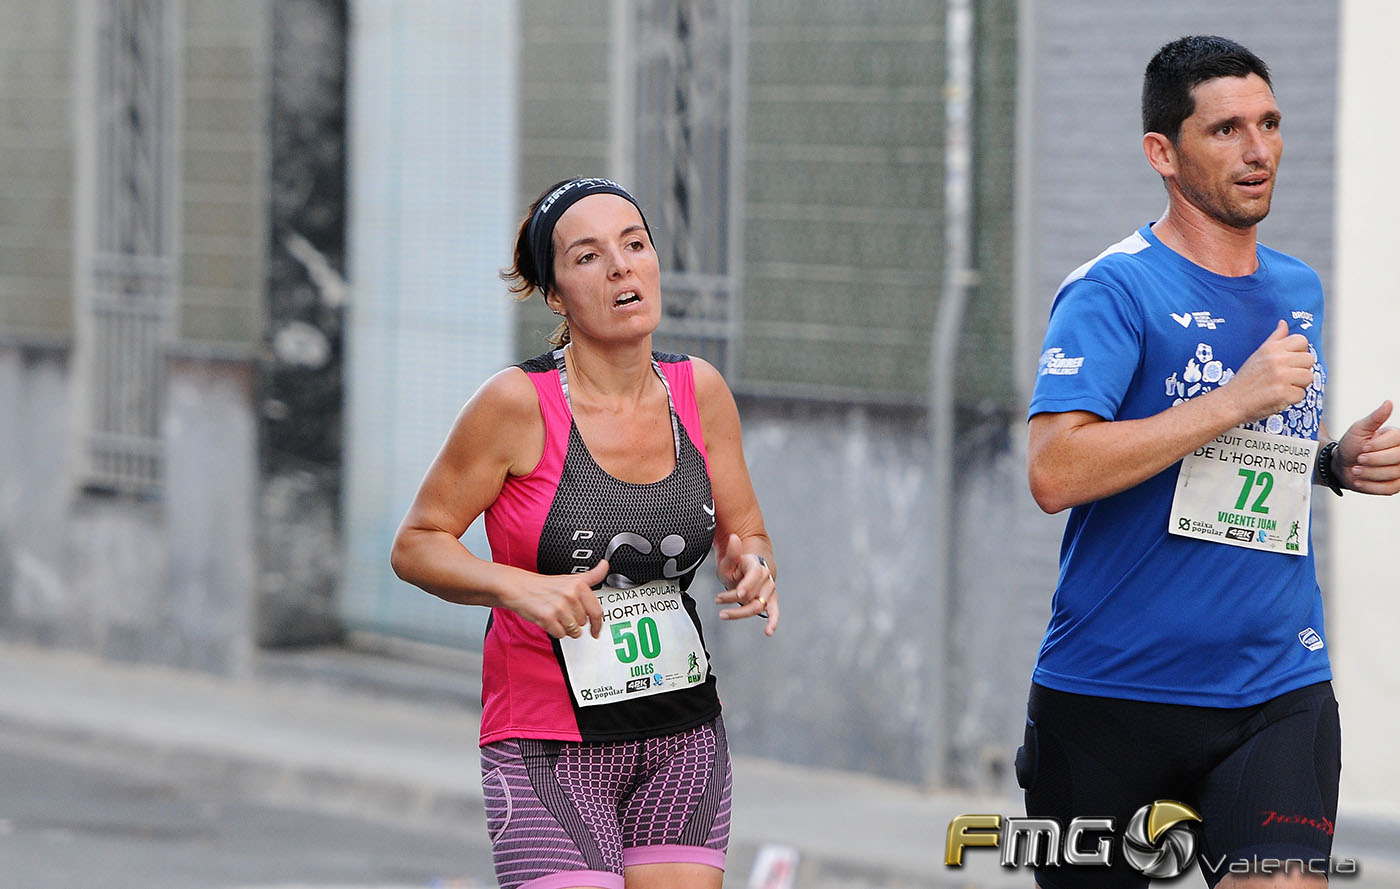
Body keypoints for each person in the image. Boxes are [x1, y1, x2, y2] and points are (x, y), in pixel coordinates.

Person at [1020, 36, 1400, 889]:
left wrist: (1332, 464)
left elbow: (1248, 457)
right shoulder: (1113, 291)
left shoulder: (1297, 286)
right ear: (1163, 151)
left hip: (1276, 683)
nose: (1258, 149)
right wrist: (1231, 398)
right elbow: (1055, 471)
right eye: (1225, 129)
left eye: (1268, 123)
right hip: (1113, 694)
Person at [390, 177, 778, 889]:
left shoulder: (702, 391)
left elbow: (744, 528)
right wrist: (520, 589)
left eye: (634, 245)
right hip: (545, 741)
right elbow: (417, 543)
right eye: (589, 256)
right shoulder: (515, 404)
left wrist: (752, 566)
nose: (622, 266)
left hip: (681, 733)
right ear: (556, 296)